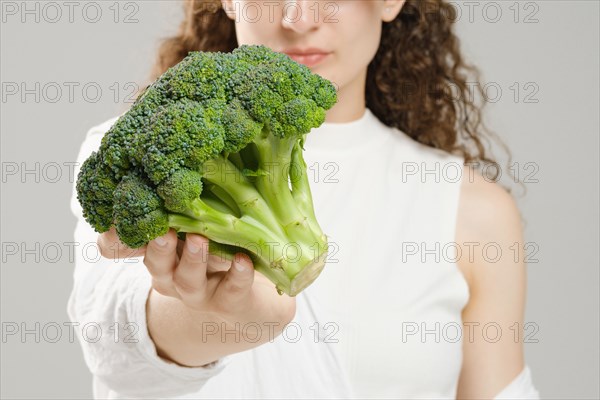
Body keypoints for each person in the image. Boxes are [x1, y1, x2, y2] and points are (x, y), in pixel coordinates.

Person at [68, 0, 541, 398]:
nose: (298, 17)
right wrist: (233, 323)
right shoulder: (143, 161)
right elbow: (117, 348)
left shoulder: (473, 210)